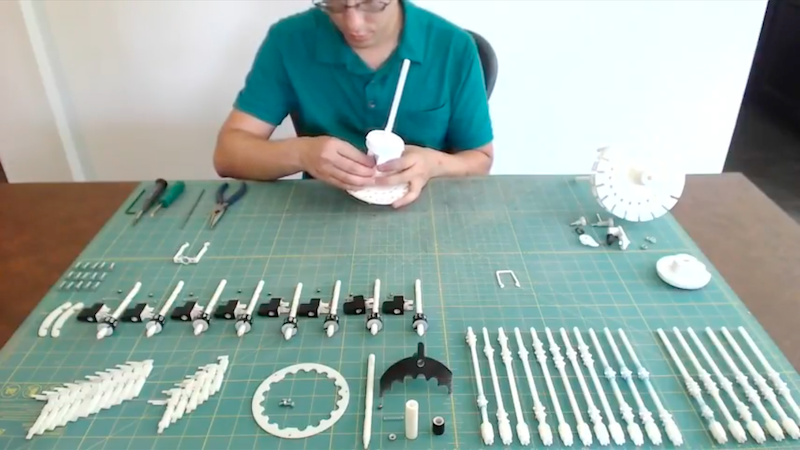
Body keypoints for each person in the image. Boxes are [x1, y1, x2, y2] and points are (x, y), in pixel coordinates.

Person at [213, 0, 494, 208]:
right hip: (320, 210)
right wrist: (302, 153)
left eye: (371, 3)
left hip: (424, 208)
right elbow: (228, 154)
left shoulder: (453, 47)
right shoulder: (289, 41)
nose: (353, 24)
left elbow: (479, 159)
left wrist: (434, 164)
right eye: (335, 4)